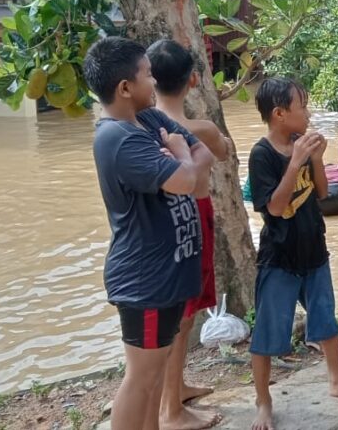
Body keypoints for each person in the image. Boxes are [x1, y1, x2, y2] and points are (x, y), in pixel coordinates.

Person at [83, 36, 215, 430]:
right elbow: (187, 179)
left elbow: (202, 154)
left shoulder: (149, 120)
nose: (153, 81)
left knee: (153, 377)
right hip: (146, 280)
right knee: (140, 380)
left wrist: (180, 154)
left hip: (167, 275)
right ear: (125, 88)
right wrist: (179, 154)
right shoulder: (120, 139)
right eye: (146, 75)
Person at [248, 77, 338, 430]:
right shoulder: (262, 154)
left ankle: (336, 380)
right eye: (303, 107)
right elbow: (277, 208)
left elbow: (322, 192)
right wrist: (296, 162)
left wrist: (316, 159)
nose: (309, 114)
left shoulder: (302, 143)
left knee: (327, 323)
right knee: (267, 335)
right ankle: (263, 401)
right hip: (279, 257)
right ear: (279, 114)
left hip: (314, 249)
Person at [146, 39, 230, 430]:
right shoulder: (199, 128)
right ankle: (171, 411)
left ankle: (175, 388)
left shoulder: (144, 126)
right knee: (183, 315)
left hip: (160, 224)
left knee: (180, 312)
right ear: (193, 78)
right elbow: (227, 151)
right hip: (193, 218)